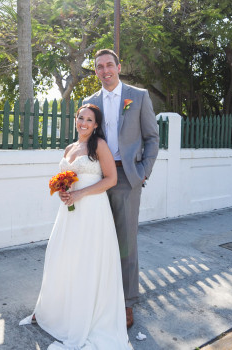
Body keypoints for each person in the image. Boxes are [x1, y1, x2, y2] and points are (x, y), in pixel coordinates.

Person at [20, 104, 130, 350]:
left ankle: (84, 317)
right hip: (69, 213)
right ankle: (55, 311)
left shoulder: (99, 146)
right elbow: (67, 176)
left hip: (92, 212)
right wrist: (64, 190)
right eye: (81, 117)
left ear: (96, 125)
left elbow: (111, 179)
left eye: (89, 119)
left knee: (86, 262)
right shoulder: (70, 148)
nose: (83, 122)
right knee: (62, 258)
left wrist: (80, 194)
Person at [82, 49, 159, 328]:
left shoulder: (138, 96)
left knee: (126, 240)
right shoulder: (89, 101)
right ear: (95, 71)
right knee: (99, 239)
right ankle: (100, 297)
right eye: (99, 67)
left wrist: (142, 172)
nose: (105, 71)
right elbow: (84, 139)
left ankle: (127, 303)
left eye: (109, 65)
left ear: (119, 66)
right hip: (97, 176)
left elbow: (152, 137)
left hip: (127, 176)